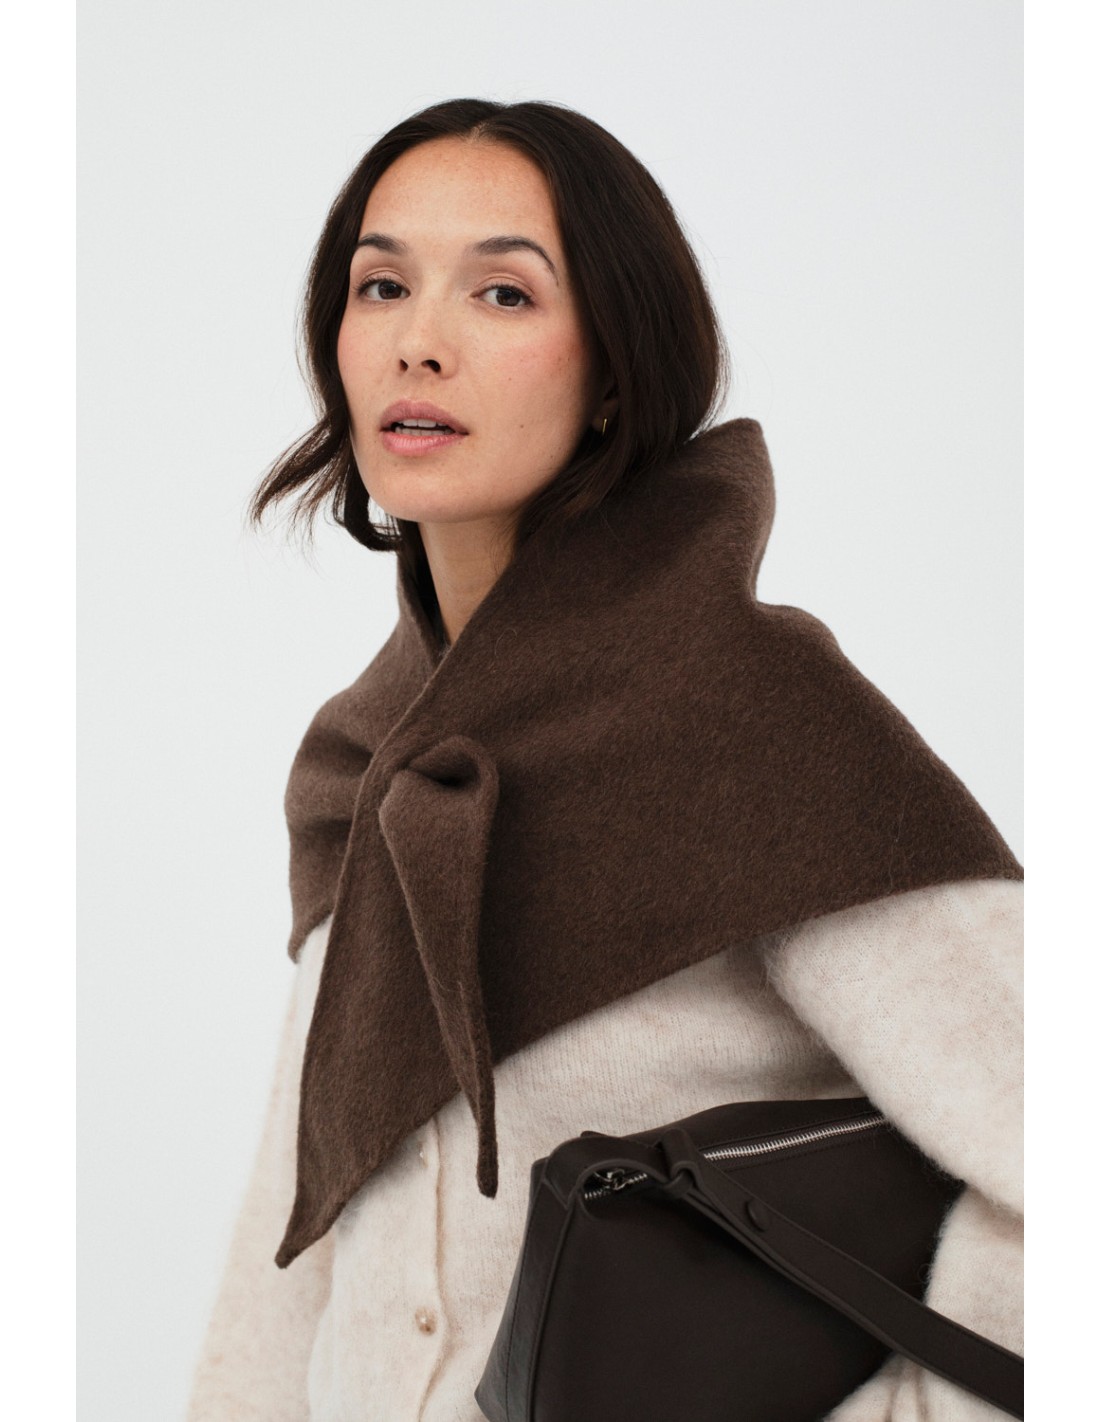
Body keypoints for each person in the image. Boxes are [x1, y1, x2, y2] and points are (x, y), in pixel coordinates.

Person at [185, 99, 1022, 1421]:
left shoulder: (755, 717)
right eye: (382, 284)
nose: (419, 340)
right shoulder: (374, 757)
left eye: (503, 293)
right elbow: (295, 1242)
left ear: (618, 372)